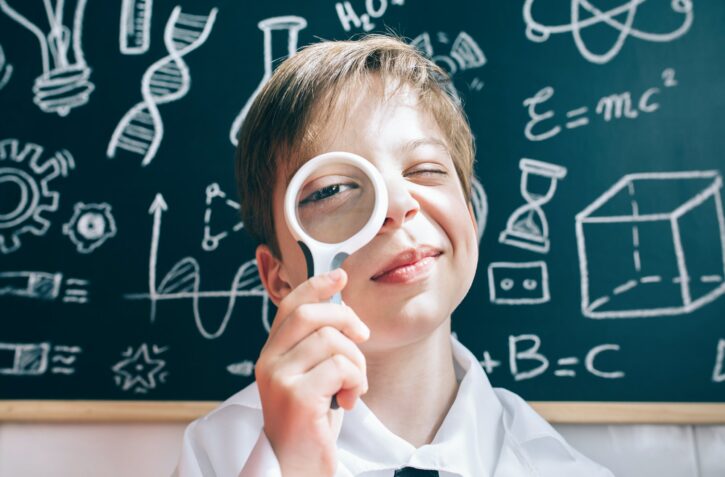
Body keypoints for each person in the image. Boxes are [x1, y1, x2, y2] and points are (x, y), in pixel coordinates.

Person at [174, 34, 614, 477]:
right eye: (332, 190)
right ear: (279, 278)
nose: (398, 204)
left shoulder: (565, 469)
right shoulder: (215, 456)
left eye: (426, 170)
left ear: (468, 214)